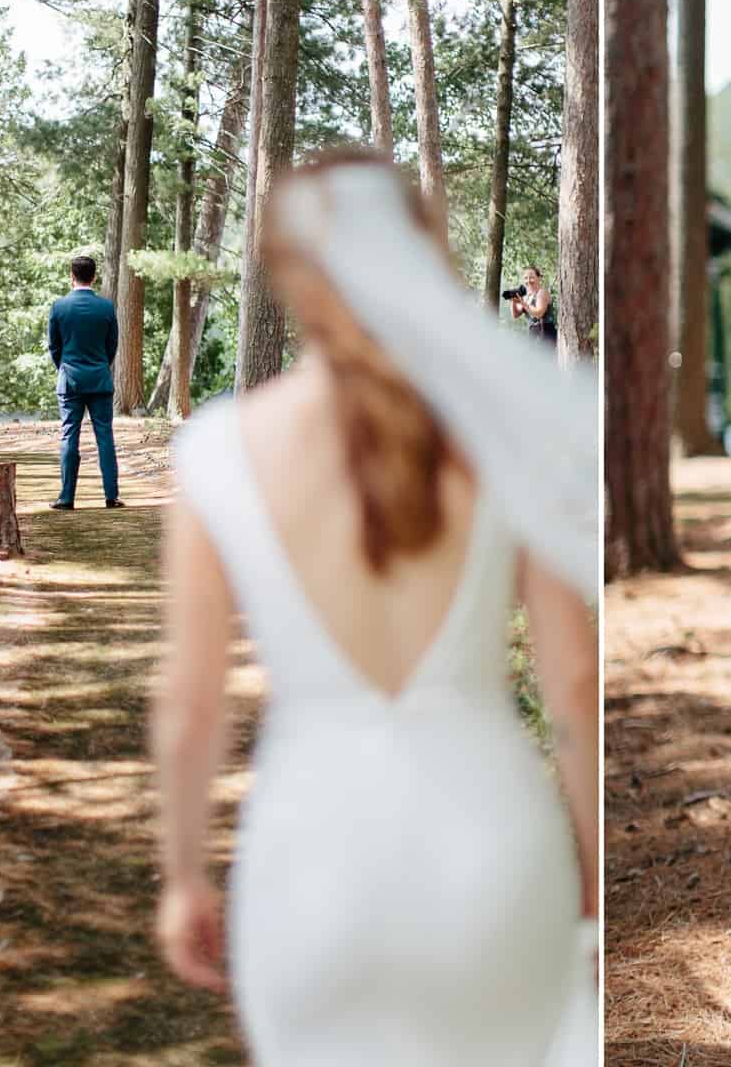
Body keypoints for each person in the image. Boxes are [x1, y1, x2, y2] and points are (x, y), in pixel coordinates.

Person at [150, 149, 599, 1065]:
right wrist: (595, 874)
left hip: (310, 860)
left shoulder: (218, 451)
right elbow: (577, 683)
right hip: (495, 853)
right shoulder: (500, 433)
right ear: (420, 256)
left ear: (287, 277)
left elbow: (191, 702)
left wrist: (184, 873)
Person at [47, 254, 121, 510]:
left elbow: (54, 346)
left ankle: (66, 497)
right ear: (94, 277)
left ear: (72, 276)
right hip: (99, 379)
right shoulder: (106, 307)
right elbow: (112, 345)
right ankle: (111, 496)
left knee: (69, 435)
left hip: (70, 380)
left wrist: (65, 367)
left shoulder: (59, 307)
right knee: (105, 437)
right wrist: (100, 365)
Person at [512, 264, 556, 345]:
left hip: (546, 335)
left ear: (539, 278)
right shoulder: (526, 296)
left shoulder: (542, 293)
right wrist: (514, 302)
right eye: (526, 278)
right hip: (533, 334)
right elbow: (516, 315)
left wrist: (524, 304)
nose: (528, 280)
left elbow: (539, 314)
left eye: (531, 277)